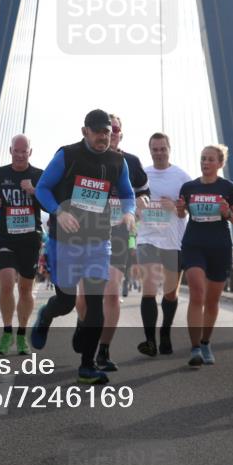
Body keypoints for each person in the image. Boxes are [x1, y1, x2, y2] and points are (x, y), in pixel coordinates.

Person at [32, 109, 136, 385]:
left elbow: (127, 193)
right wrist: (58, 212)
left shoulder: (117, 161)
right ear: (85, 131)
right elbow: (42, 188)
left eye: (107, 132)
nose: (103, 137)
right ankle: (46, 315)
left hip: (98, 239)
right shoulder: (67, 155)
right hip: (64, 239)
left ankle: (87, 366)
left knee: (94, 301)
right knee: (66, 301)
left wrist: (128, 212)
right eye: (98, 131)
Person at [85, 114, 149, 371]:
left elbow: (144, 191)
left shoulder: (130, 162)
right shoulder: (83, 157)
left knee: (111, 293)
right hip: (87, 234)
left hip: (119, 234)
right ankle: (86, 330)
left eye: (115, 130)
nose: (110, 134)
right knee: (86, 300)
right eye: (104, 130)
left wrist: (141, 202)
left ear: (121, 133)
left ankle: (103, 350)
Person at [177, 145, 233, 366]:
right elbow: (182, 213)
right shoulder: (189, 187)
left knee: (211, 300)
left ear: (220, 163)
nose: (205, 163)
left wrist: (226, 213)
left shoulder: (228, 187)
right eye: (202, 159)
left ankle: (206, 342)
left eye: (210, 159)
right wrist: (180, 208)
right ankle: (195, 348)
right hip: (194, 244)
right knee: (197, 292)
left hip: (219, 247)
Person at [0, 134, 45, 356]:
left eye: (24, 151)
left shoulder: (39, 175)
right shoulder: (0, 174)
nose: (20, 155)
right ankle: (7, 330)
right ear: (10, 151)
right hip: (7, 237)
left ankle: (21, 334)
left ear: (30, 152)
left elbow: (48, 203)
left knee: (26, 288)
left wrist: (34, 191)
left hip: (30, 239)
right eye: (16, 151)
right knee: (7, 282)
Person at [135, 132, 190, 357]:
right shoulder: (142, 175)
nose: (159, 153)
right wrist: (139, 209)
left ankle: (165, 332)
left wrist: (176, 208)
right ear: (150, 150)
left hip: (173, 241)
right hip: (147, 238)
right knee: (149, 289)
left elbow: (188, 210)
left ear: (169, 148)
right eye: (155, 149)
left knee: (169, 294)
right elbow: (132, 203)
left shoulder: (182, 177)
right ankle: (150, 341)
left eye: (162, 149)